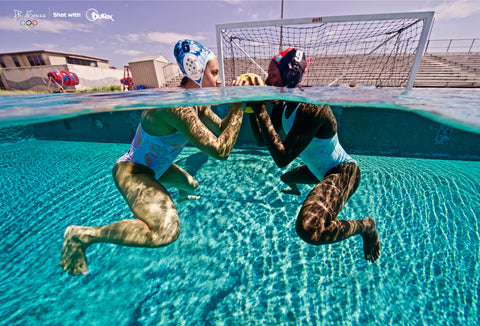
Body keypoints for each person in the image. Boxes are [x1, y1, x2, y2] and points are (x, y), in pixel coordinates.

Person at [60, 40, 245, 275]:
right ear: (195, 70)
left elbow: (221, 131)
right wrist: (239, 106)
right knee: (166, 232)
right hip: (133, 171)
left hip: (157, 167)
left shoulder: (198, 103)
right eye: (215, 73)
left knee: (190, 184)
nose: (219, 80)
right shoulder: (177, 105)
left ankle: (175, 197)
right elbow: (221, 151)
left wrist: (237, 106)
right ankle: (82, 235)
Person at [233, 48, 380, 263]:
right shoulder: (282, 105)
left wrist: (261, 110)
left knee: (309, 229)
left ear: (289, 75)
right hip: (317, 171)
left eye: (272, 74)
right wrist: (255, 110)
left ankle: (366, 226)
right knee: (287, 179)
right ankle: (301, 189)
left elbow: (282, 158)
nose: (267, 79)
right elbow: (261, 141)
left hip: (343, 172)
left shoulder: (311, 107)